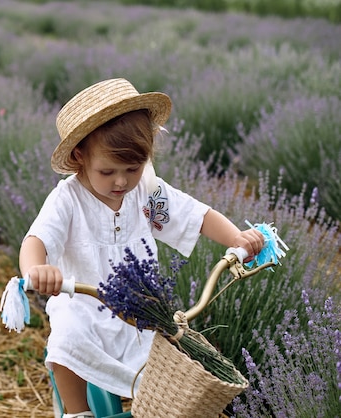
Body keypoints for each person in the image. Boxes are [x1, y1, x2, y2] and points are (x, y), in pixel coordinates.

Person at [18, 78, 264, 418]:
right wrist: (36, 270)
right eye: (108, 171)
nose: (121, 182)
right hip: (84, 300)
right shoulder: (68, 200)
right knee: (67, 338)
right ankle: (77, 412)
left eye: (132, 169)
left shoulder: (145, 192)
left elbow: (195, 215)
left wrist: (238, 239)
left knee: (171, 353)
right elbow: (37, 240)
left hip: (138, 304)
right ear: (79, 157)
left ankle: (154, 408)